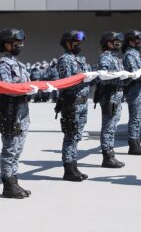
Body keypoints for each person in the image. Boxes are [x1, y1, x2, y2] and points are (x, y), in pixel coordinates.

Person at [0, 28, 33, 199]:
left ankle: (14, 180)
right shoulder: (3, 65)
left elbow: (28, 83)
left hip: (22, 110)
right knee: (9, 148)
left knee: (18, 147)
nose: (20, 46)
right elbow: (7, 88)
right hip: (10, 110)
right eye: (16, 43)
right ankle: (8, 183)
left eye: (21, 43)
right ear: (7, 45)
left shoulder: (19, 64)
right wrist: (25, 89)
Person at [56, 30, 91, 181]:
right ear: (68, 44)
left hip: (82, 102)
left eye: (79, 43)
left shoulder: (80, 60)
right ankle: (68, 168)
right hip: (71, 102)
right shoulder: (65, 60)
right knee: (70, 136)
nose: (79, 45)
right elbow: (67, 83)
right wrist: (83, 79)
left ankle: (74, 165)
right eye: (76, 43)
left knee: (77, 136)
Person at [96, 31, 126, 168]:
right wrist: (119, 75)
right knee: (108, 126)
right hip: (109, 95)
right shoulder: (106, 57)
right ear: (109, 43)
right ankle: (107, 156)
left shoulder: (116, 58)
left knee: (113, 125)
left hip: (117, 94)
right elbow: (103, 75)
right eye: (116, 42)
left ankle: (111, 153)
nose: (119, 44)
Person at [122, 30, 141, 155]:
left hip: (139, 89)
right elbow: (136, 73)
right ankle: (133, 144)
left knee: (137, 118)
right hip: (134, 88)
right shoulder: (129, 55)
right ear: (130, 42)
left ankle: (136, 142)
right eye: (136, 40)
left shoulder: (136, 54)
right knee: (135, 118)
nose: (139, 42)